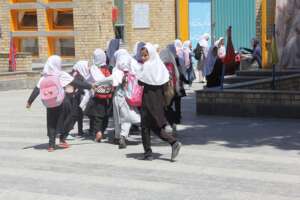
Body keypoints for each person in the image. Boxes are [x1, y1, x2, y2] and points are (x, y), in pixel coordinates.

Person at [26, 55, 93, 152]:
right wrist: (90, 86)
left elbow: (36, 89)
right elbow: (77, 83)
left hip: (49, 102)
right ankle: (62, 138)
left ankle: (51, 145)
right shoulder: (61, 74)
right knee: (70, 117)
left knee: (51, 122)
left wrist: (29, 102)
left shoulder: (44, 76)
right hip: (62, 102)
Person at [137, 43, 182, 161]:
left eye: (145, 55)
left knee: (145, 127)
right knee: (155, 127)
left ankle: (148, 153)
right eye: (142, 55)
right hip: (158, 102)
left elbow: (140, 82)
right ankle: (173, 142)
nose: (143, 58)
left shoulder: (147, 67)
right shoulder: (159, 66)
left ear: (150, 54)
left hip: (147, 101)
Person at [112, 49, 141, 149]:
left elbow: (111, 81)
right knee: (127, 118)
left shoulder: (116, 71)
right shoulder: (133, 70)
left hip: (117, 97)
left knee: (117, 117)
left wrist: (95, 85)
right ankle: (123, 136)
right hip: (129, 98)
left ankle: (117, 136)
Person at [85, 49, 113, 142]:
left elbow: (88, 80)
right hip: (107, 97)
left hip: (97, 96)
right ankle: (102, 131)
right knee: (105, 116)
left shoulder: (94, 69)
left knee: (97, 116)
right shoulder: (107, 69)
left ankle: (98, 132)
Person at [159, 48, 181, 133]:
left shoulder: (162, 65)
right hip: (172, 91)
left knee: (165, 108)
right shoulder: (172, 65)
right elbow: (176, 77)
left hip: (164, 91)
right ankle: (172, 122)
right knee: (168, 107)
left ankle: (170, 123)